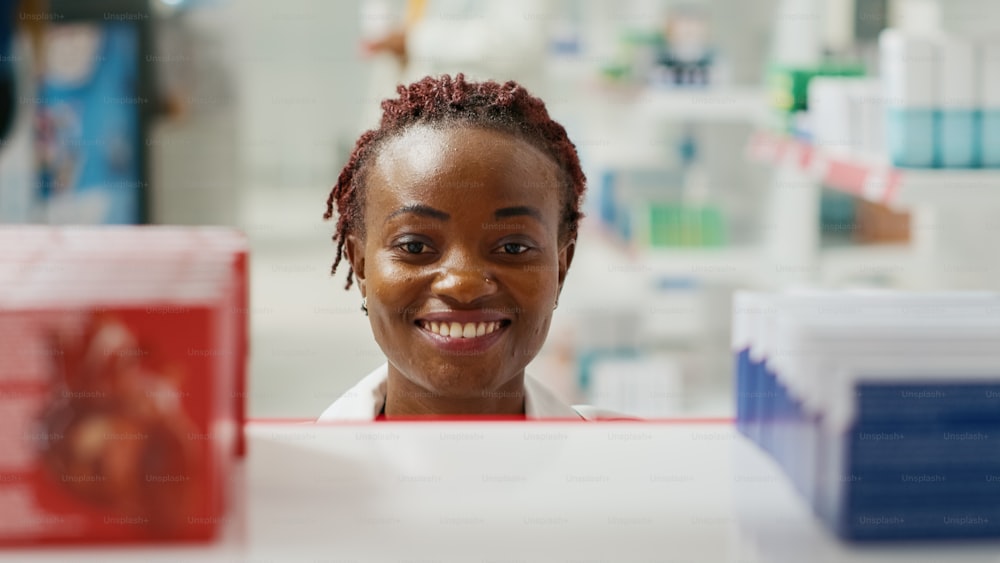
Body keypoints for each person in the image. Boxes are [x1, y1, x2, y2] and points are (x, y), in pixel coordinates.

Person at [318, 73, 614, 420]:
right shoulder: (285, 472)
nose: (463, 285)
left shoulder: (630, 461)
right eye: (414, 246)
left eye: (513, 248)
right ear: (361, 265)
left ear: (561, 269)